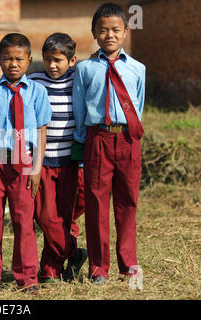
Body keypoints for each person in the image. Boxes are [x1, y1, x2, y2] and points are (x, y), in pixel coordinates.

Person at [72, 2, 146, 285]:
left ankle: (128, 265)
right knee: (96, 203)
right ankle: (98, 268)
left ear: (126, 31)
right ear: (94, 32)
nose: (109, 35)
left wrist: (133, 135)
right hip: (97, 139)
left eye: (116, 30)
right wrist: (82, 143)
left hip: (128, 139)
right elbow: (79, 108)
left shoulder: (138, 69)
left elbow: (138, 106)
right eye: (103, 30)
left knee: (127, 202)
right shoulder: (85, 69)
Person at [0, 33, 52, 292]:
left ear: (30, 60)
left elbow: (42, 131)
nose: (13, 64)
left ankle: (27, 278)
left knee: (23, 221)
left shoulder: (38, 93)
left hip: (24, 163)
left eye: (19, 59)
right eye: (7, 59)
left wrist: (37, 167)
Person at [27, 33, 87, 283]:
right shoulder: (34, 79)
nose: (52, 65)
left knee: (65, 213)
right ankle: (72, 251)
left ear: (72, 61)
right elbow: (11, 87)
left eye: (58, 60)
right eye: (48, 59)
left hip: (70, 162)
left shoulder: (79, 80)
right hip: (42, 161)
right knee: (43, 215)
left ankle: (50, 270)